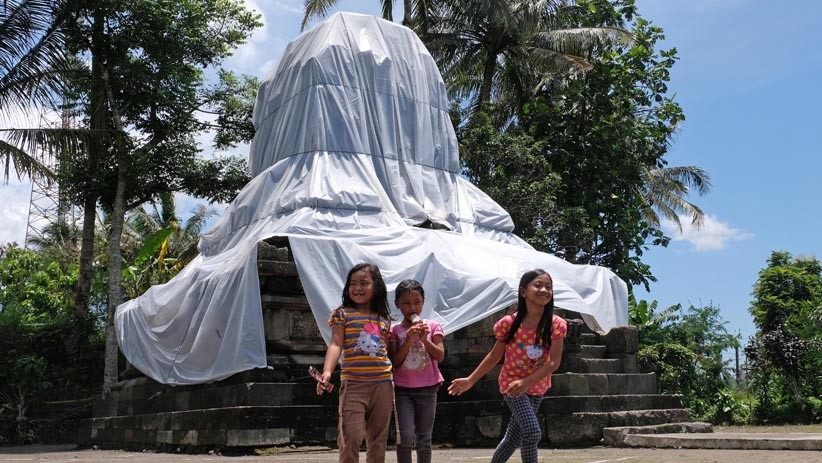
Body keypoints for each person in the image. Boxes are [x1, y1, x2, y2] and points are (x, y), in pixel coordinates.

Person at [447, 269, 567, 463]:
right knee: (531, 431)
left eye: (548, 287)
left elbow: (554, 362)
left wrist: (528, 382)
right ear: (523, 291)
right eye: (538, 285)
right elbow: (495, 355)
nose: (544, 290)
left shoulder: (556, 324)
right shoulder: (509, 324)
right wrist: (471, 379)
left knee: (513, 438)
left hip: (537, 386)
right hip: (511, 384)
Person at [317, 263, 394, 463]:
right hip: (354, 384)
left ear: (376, 287)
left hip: (383, 384)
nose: (357, 288)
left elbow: (386, 351)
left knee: (378, 439)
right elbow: (335, 344)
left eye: (364, 283)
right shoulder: (342, 314)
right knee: (351, 435)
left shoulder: (384, 319)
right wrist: (326, 372)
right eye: (353, 284)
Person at [388, 280, 445, 463]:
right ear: (397, 304)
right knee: (405, 437)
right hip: (403, 389)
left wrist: (424, 339)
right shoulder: (394, 330)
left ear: (423, 301)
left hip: (428, 388)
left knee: (424, 438)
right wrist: (409, 339)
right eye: (406, 303)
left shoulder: (433, 326)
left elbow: (440, 355)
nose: (412, 307)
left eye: (417, 302)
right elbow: (395, 361)